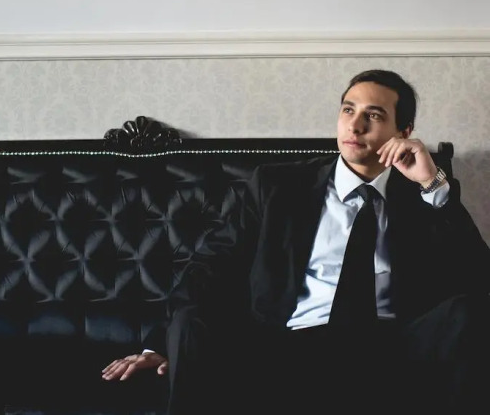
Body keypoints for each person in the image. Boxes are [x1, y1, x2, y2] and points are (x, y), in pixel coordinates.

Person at [102, 69, 490, 414]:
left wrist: (431, 185)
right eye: (348, 110)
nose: (355, 126)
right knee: (193, 322)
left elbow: (478, 279)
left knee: (467, 312)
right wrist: (159, 345)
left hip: (393, 347)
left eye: (373, 116)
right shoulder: (278, 186)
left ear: (403, 132)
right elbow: (210, 266)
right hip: (285, 346)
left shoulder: (424, 196)